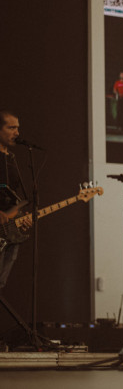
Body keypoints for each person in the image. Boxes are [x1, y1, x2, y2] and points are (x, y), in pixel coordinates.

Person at [0, 110, 28, 291]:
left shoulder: (11, 159)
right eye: (11, 128)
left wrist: (22, 216)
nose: (17, 133)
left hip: (8, 232)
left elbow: (15, 199)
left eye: (18, 128)